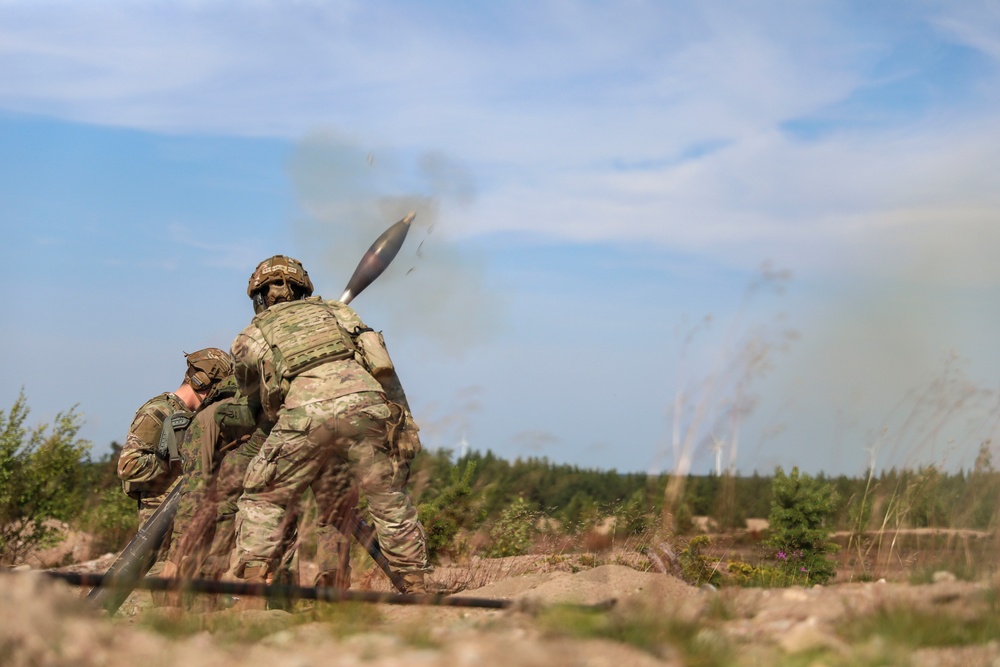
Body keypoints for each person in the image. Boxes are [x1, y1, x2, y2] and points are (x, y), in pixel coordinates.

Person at [230, 254, 428, 608]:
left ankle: (255, 588)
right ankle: (415, 580)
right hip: (367, 406)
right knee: (388, 496)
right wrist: (404, 422)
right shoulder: (341, 313)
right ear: (304, 289)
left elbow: (250, 392)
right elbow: (382, 366)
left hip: (305, 416)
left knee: (264, 496)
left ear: (259, 297)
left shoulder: (251, 334)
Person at [116, 347, 233, 574]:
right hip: (159, 519)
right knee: (161, 584)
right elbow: (127, 467)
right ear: (202, 383)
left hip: (191, 512)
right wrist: (171, 459)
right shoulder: (158, 412)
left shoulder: (203, 417)